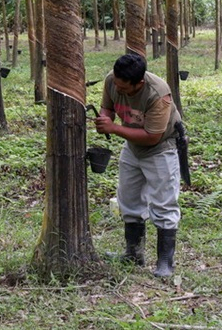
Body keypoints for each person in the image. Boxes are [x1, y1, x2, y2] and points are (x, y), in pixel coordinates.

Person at [94, 53, 182, 277]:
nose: (119, 90)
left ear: (139, 83)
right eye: (117, 85)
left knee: (163, 204)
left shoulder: (158, 94)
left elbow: (153, 136)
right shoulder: (112, 80)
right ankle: (134, 254)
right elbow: (108, 107)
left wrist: (114, 129)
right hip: (132, 147)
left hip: (161, 148)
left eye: (125, 89)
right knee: (129, 199)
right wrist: (105, 119)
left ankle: (165, 262)